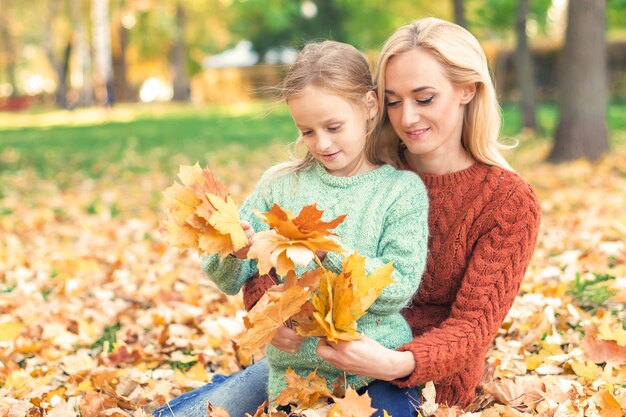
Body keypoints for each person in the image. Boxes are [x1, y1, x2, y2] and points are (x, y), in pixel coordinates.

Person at [155, 16, 542, 415]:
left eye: (424, 99)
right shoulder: (354, 167)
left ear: (467, 90)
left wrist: (395, 363)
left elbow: (473, 327)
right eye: (394, 100)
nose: (407, 118)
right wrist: (271, 315)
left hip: (417, 378)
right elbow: (271, 255)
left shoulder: (507, 202)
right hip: (310, 358)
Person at [154, 40, 429, 417]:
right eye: (307, 131)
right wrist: (236, 253)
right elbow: (228, 278)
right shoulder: (281, 185)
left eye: (333, 126)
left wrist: (327, 253)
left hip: (374, 373)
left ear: (369, 105)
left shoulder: (400, 191)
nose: (322, 143)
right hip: (294, 375)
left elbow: (397, 289)